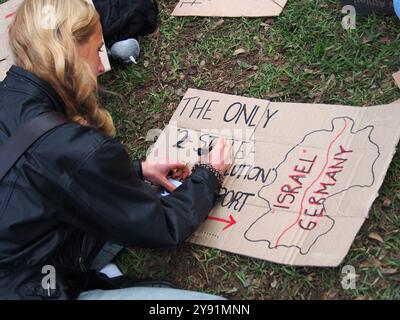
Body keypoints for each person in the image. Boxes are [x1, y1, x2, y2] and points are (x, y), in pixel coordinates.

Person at [0, 0, 231, 300]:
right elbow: (162, 227)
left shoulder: (10, 96)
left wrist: (137, 171)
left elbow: (38, 175)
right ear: (67, 53)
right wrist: (210, 174)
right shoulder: (78, 149)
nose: (101, 65)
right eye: (97, 50)